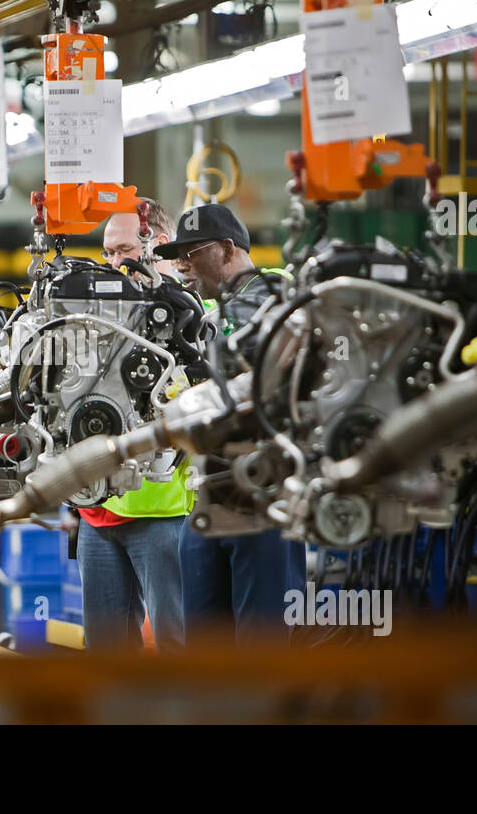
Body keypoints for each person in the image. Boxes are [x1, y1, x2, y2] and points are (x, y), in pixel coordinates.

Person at [152, 203, 306, 646]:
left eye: (191, 252)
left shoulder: (278, 297)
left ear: (225, 249)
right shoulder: (207, 317)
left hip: (265, 493)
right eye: (176, 254)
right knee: (204, 646)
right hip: (212, 490)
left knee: (261, 646)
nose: (180, 264)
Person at [73, 198, 189, 653]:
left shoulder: (184, 315)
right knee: (104, 652)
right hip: (96, 512)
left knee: (175, 643)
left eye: (123, 250)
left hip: (160, 512)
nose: (113, 263)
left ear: (157, 244)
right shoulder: (93, 315)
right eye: (107, 253)